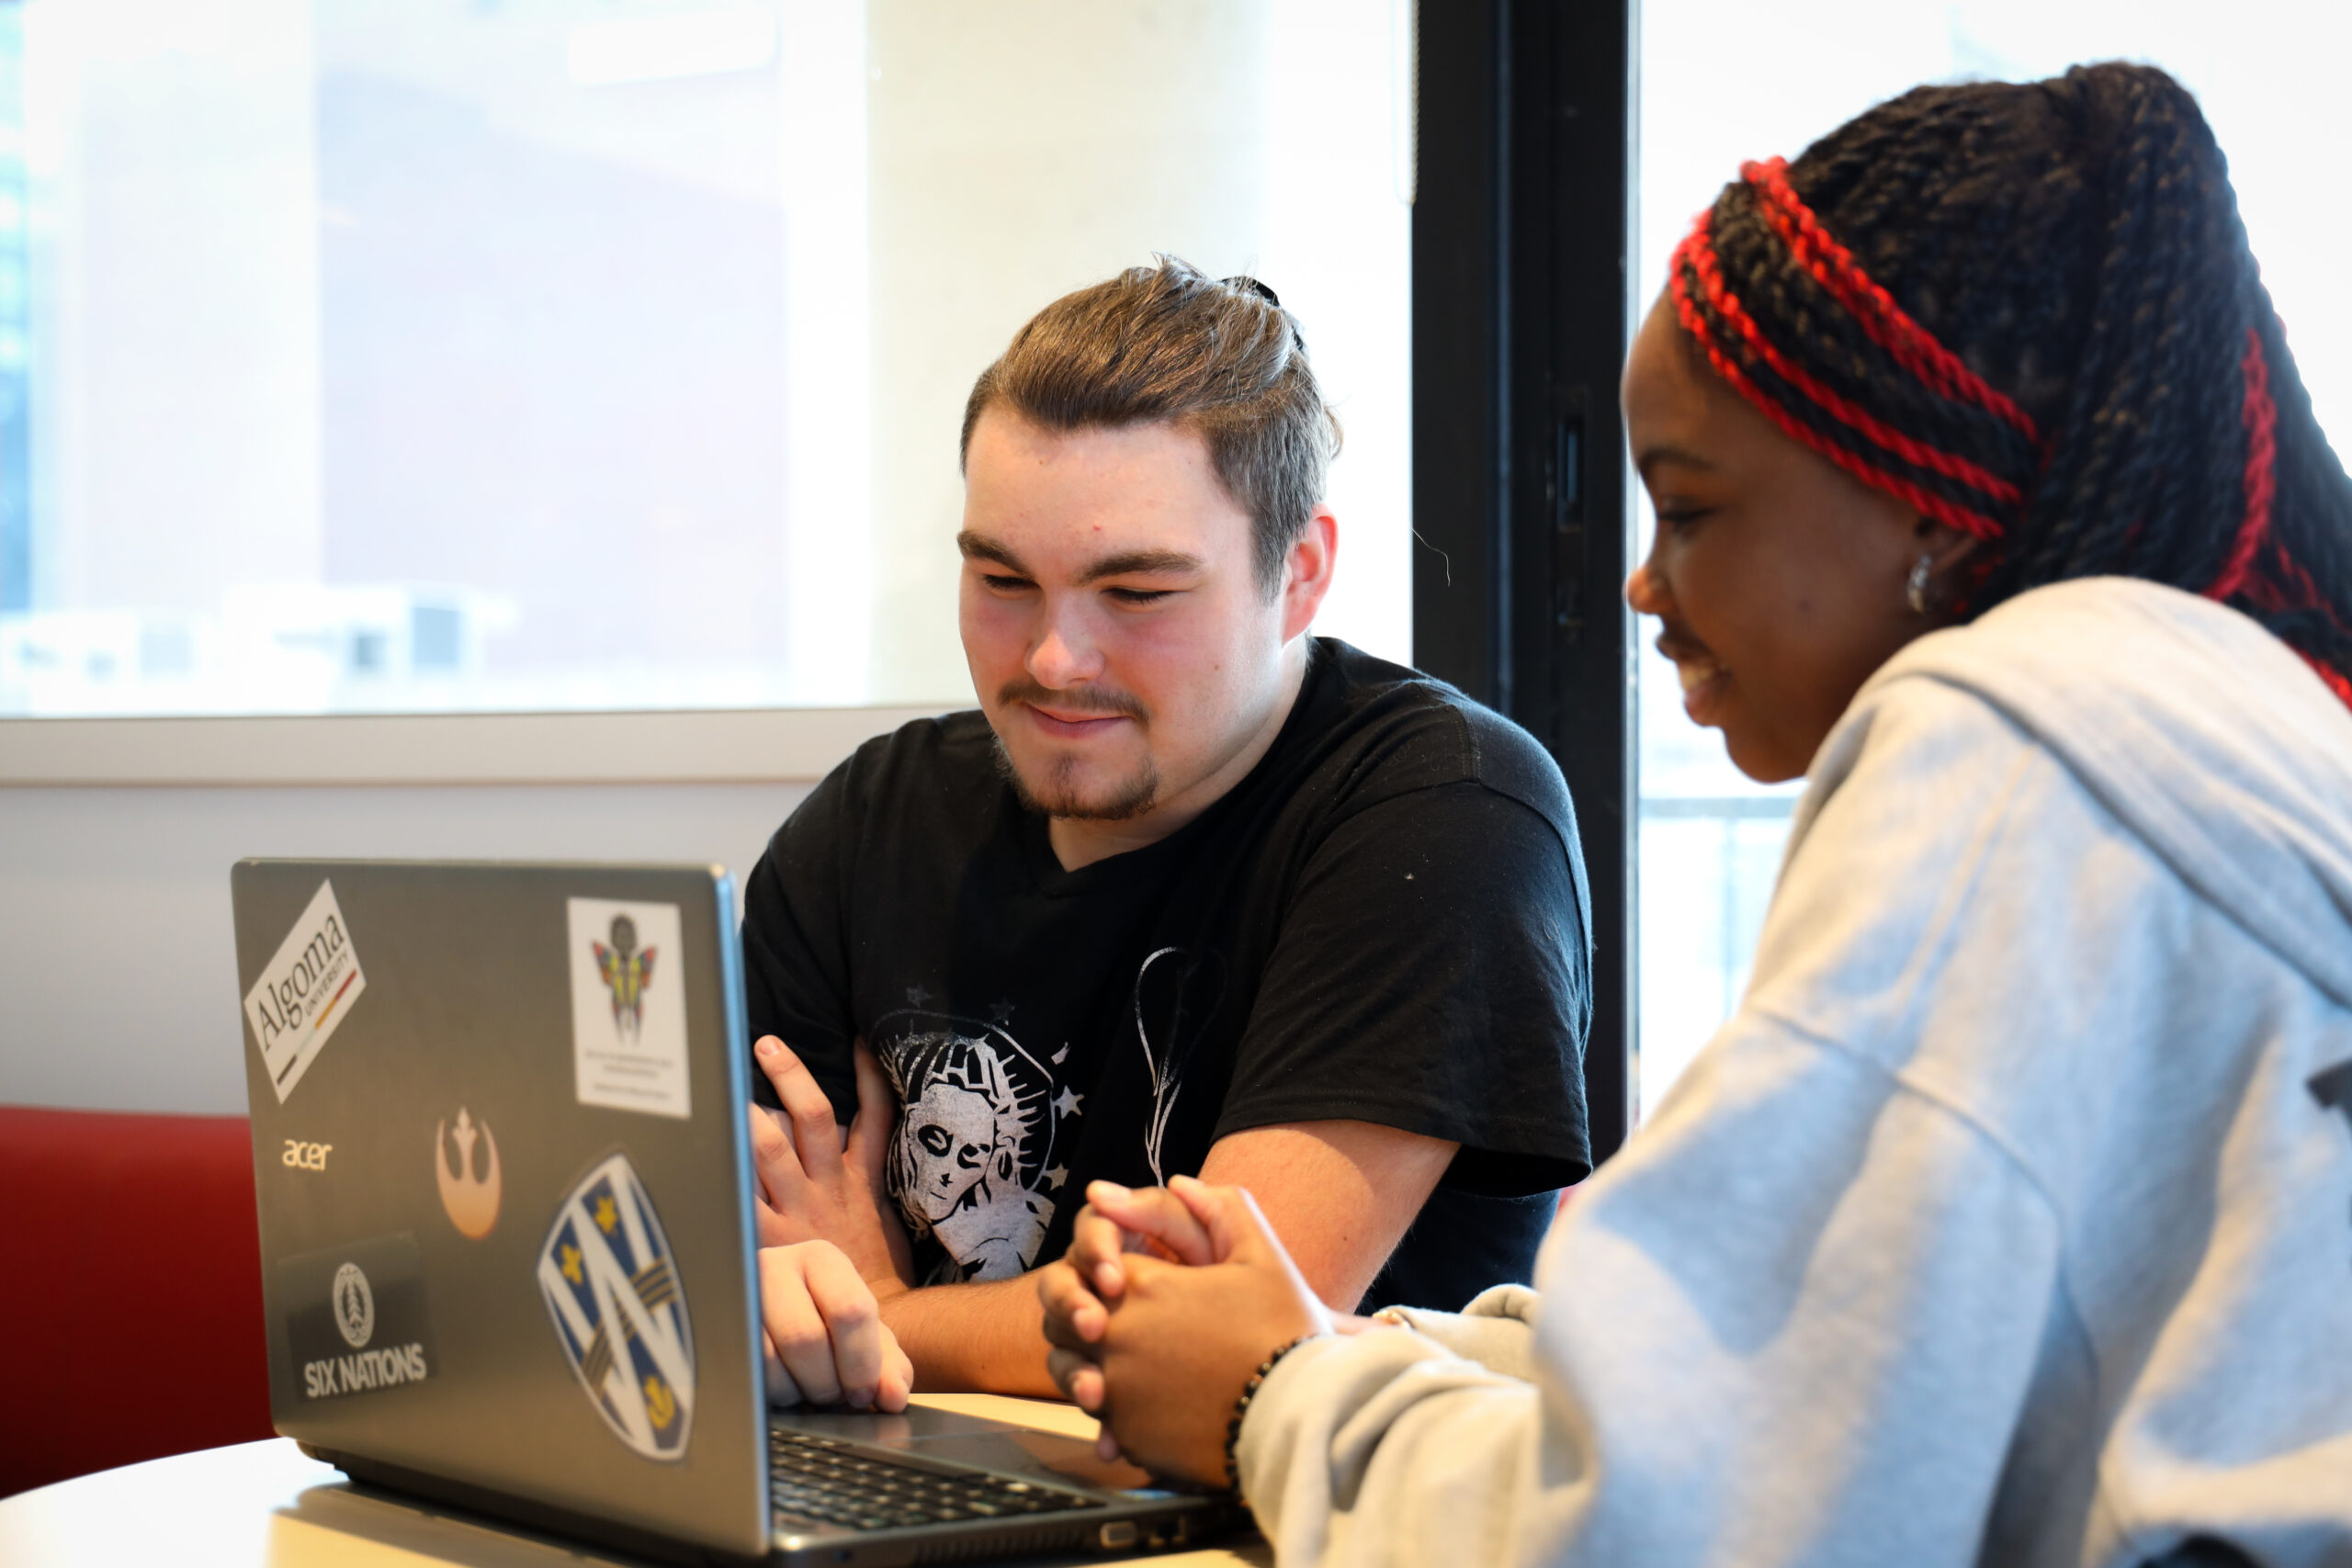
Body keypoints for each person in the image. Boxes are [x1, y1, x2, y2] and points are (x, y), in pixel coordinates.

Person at [1036, 62, 2352, 1563]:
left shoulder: (2012, 743)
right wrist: (1346, 1347)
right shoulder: (2216, 737)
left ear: (1935, 497)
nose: (1644, 583)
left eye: (1696, 505)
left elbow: (1682, 1526)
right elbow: (1835, 1381)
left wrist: (1275, 1391)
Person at [741, 258, 1595, 1405]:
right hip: (908, 1492)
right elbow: (726, 1252)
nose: (1053, 661)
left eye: (1137, 595)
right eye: (1002, 578)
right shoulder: (872, 819)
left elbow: (1215, 1324)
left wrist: (887, 1314)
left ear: (1298, 577)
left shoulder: (1447, 812)